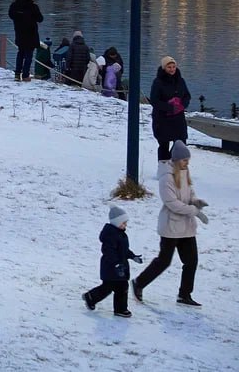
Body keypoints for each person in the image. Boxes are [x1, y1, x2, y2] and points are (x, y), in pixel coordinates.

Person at [133, 141, 208, 307]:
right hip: (171, 227)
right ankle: (139, 283)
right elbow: (172, 203)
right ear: (176, 160)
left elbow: (190, 193)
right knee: (164, 261)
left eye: (188, 160)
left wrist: (196, 202)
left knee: (191, 261)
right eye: (184, 160)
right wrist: (194, 211)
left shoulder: (185, 173)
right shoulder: (166, 178)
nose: (187, 163)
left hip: (186, 227)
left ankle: (184, 294)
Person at [83, 206, 141, 318]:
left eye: (126, 223)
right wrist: (116, 264)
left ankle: (120, 309)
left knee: (122, 287)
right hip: (110, 268)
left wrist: (133, 256)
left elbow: (124, 250)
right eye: (123, 223)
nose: (125, 225)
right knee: (108, 287)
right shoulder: (110, 235)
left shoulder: (121, 233)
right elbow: (109, 252)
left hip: (120, 267)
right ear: (116, 222)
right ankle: (90, 297)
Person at [148, 56, 190, 161]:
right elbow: (154, 100)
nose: (172, 69)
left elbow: (187, 96)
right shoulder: (158, 82)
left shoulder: (180, 81)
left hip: (178, 118)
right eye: (169, 67)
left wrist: (182, 105)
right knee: (164, 145)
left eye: (173, 67)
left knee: (181, 142)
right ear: (164, 68)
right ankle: (163, 166)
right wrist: (170, 107)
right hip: (162, 118)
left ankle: (174, 163)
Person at [8, 0, 43, 81]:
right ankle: (25, 75)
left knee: (20, 53)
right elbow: (40, 19)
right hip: (30, 34)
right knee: (28, 55)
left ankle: (17, 74)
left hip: (19, 33)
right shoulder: (33, 7)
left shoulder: (15, 6)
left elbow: (11, 15)